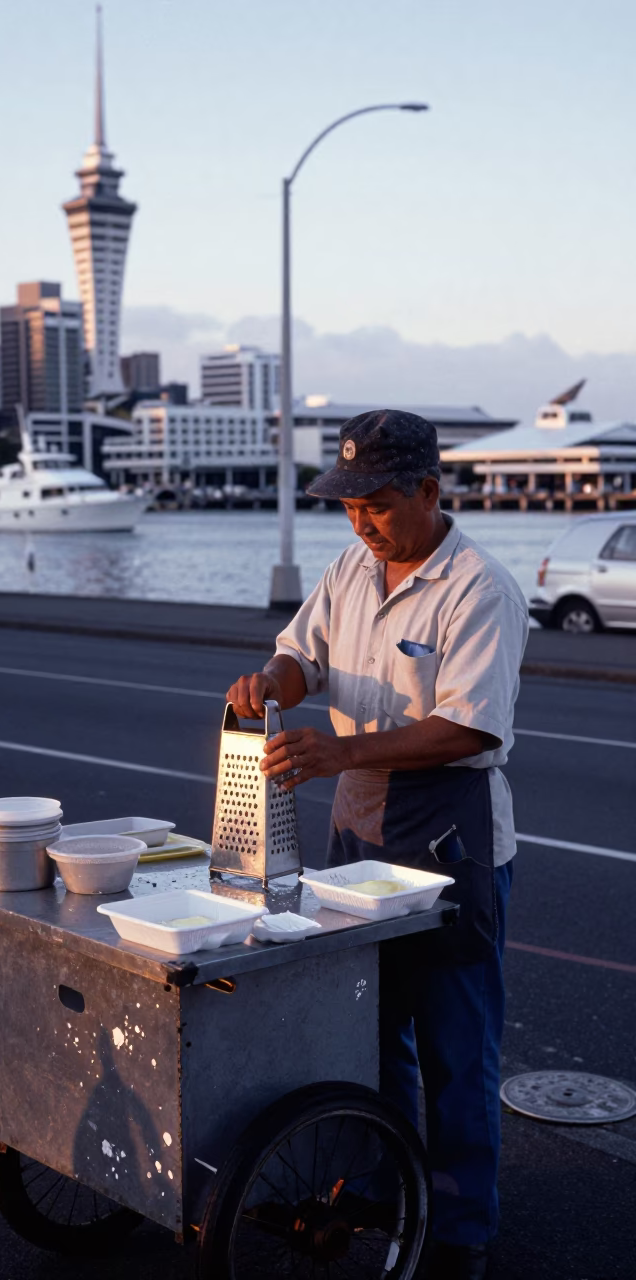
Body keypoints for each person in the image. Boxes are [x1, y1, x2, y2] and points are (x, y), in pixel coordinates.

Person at [225, 410, 529, 1280]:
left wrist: (339, 749)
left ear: (431, 492)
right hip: (357, 833)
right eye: (348, 505)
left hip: (448, 844)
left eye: (380, 505)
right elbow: (301, 657)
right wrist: (268, 684)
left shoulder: (480, 588)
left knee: (455, 1047)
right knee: (365, 1028)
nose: (361, 522)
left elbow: (469, 730)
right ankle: (382, 1187)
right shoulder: (352, 569)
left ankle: (463, 1228)